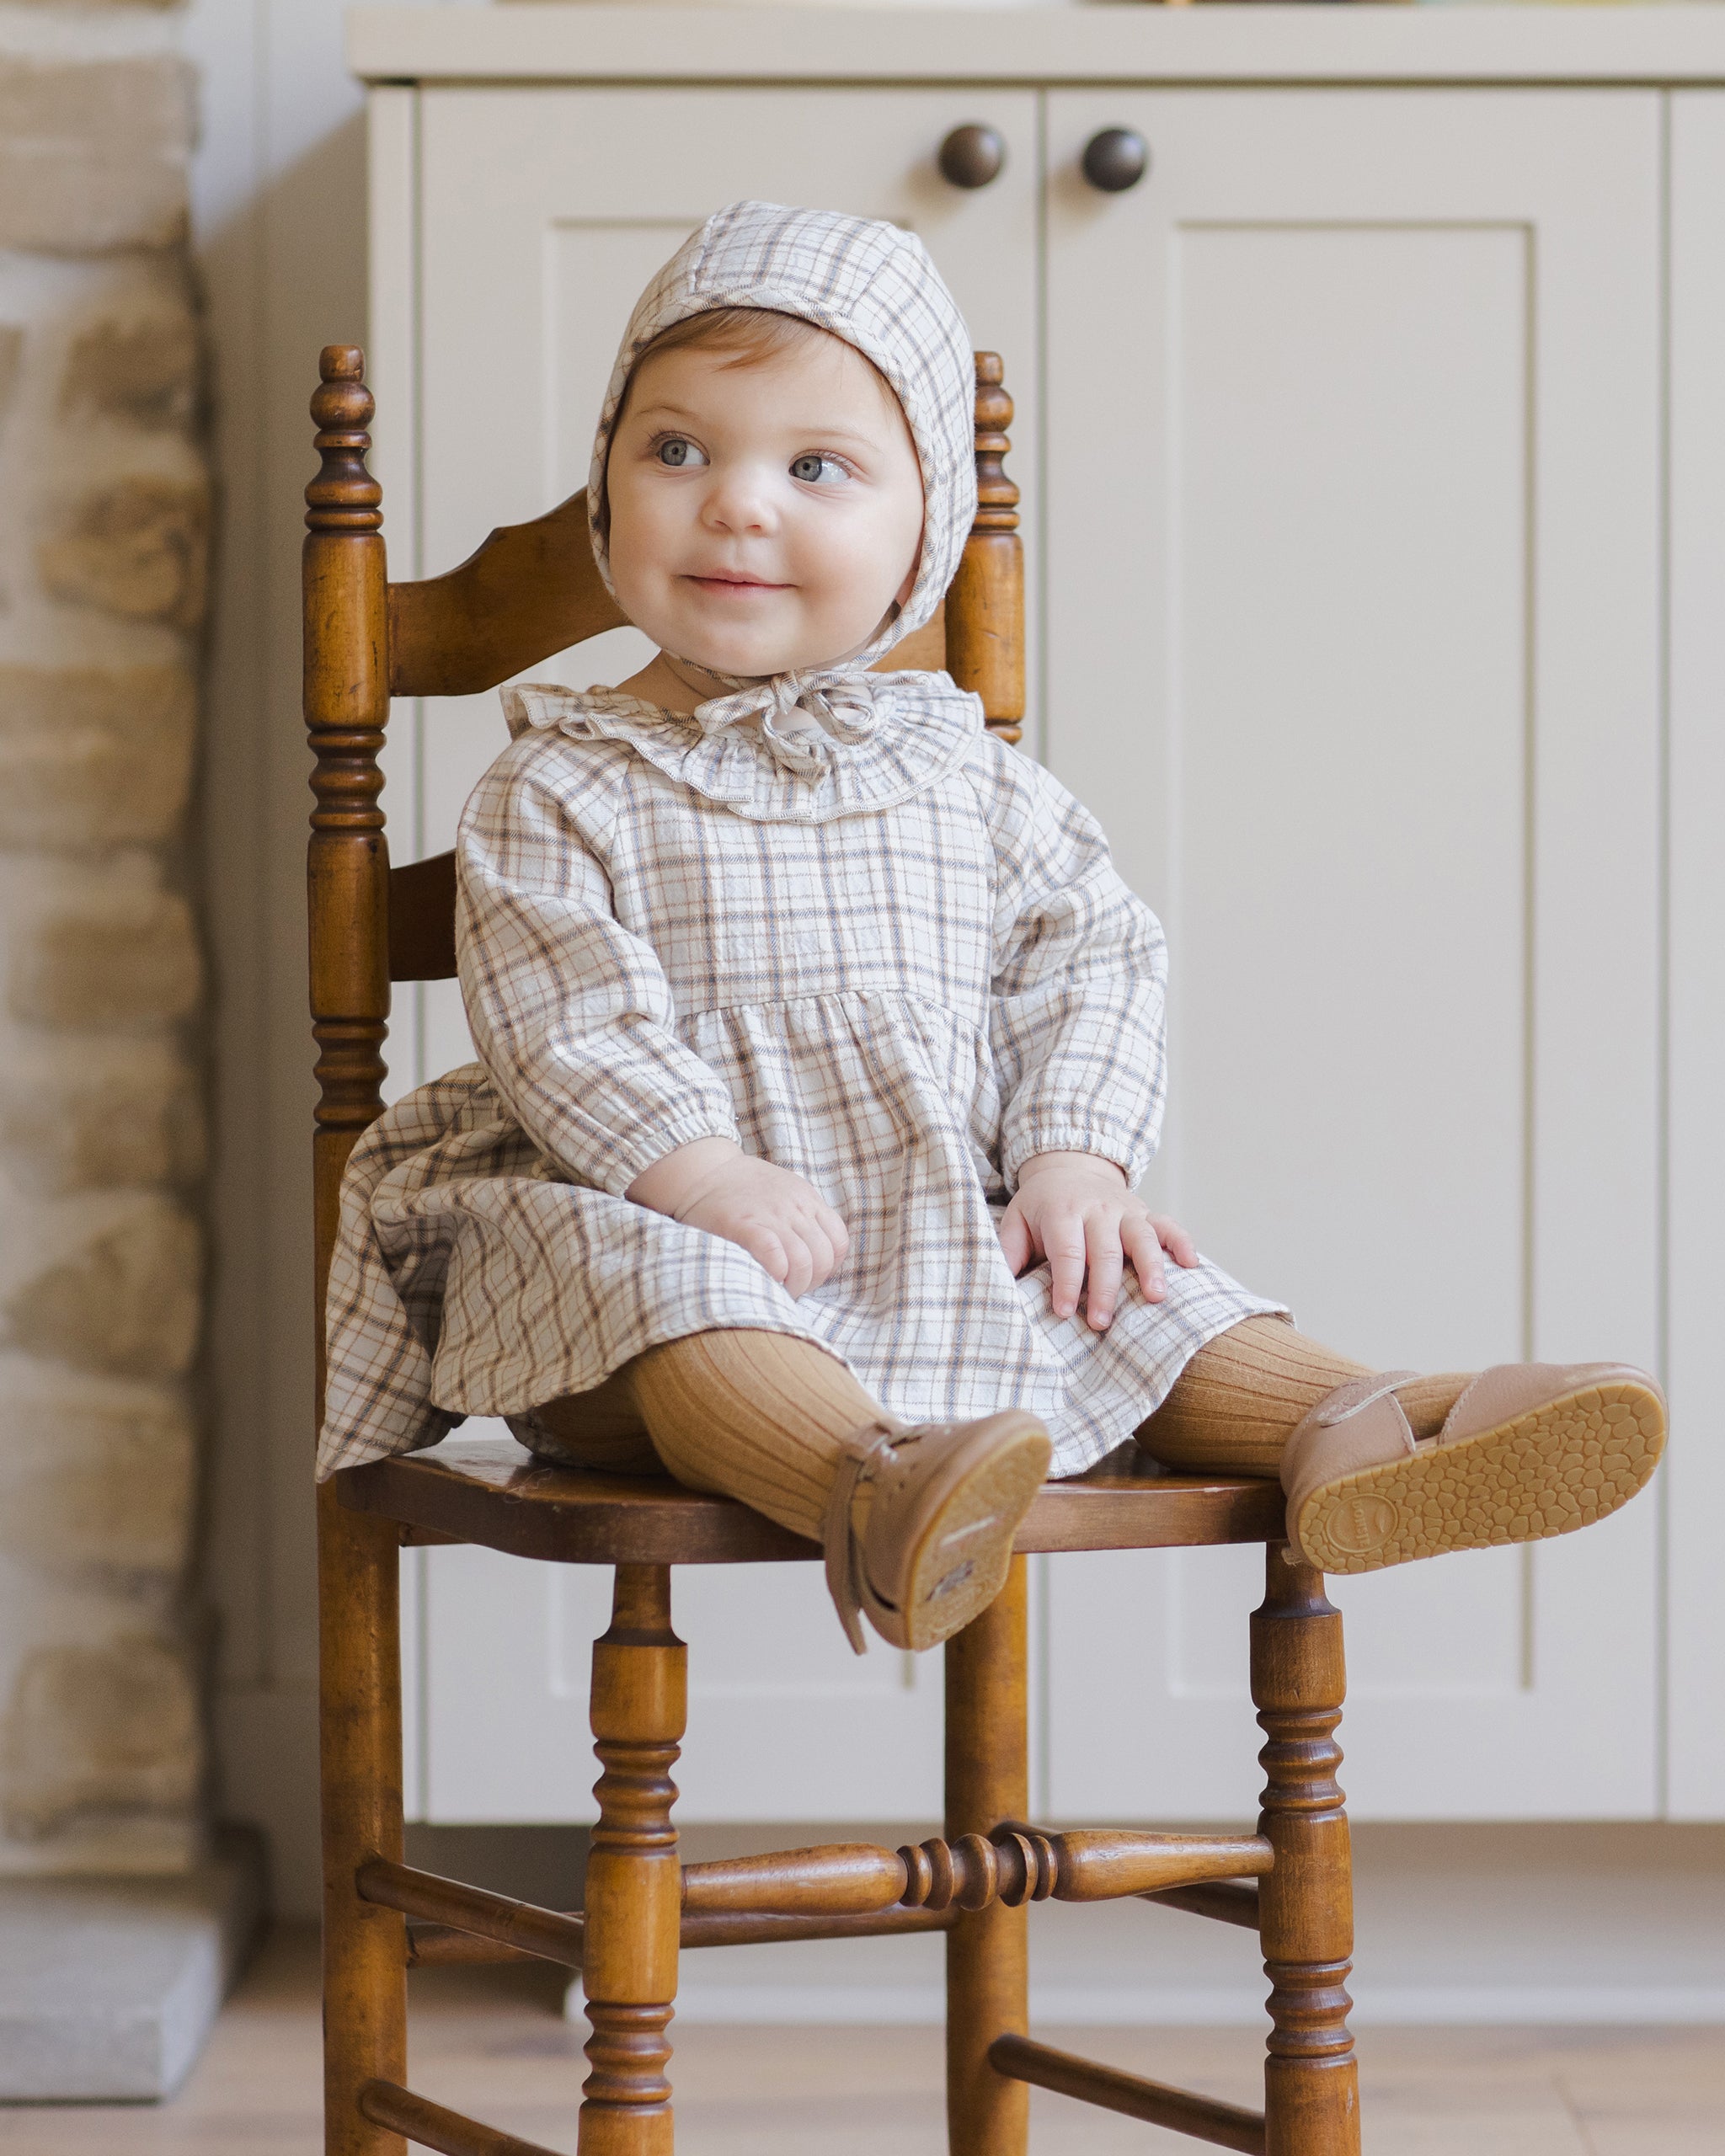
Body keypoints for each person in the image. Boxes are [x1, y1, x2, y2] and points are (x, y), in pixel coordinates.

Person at [320, 202, 1665, 1654]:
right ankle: (877, 1490)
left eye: (815, 467)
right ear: (606, 486)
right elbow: (566, 1021)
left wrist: (1075, 1158)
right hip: (628, 1231)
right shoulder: (561, 780)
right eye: (677, 449)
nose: (736, 504)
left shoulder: (963, 773)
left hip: (928, 1215)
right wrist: (698, 1173)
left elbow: (1090, 957)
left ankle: (1376, 1424)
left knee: (1123, 1282)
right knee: (688, 1295)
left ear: (925, 536)